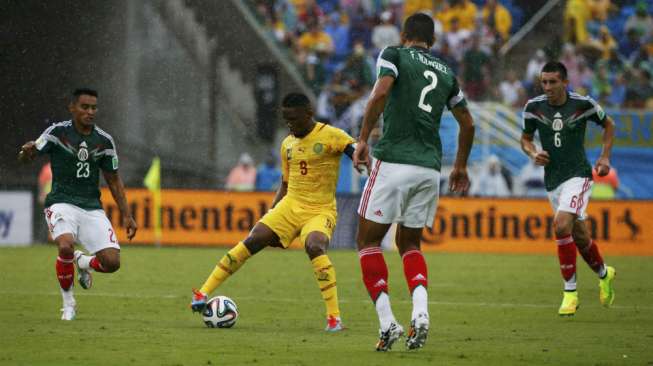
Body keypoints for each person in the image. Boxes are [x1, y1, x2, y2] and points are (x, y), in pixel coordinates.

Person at [353, 13, 475, 351]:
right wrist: (460, 167)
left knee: (367, 242)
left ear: (405, 34)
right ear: (432, 41)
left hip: (393, 159)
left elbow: (379, 94)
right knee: (410, 245)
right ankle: (420, 313)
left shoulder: (393, 54)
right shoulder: (446, 73)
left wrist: (363, 138)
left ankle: (387, 322)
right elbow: (468, 124)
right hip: (428, 168)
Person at [191, 92, 358, 332]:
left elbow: (354, 149)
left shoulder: (331, 135)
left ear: (308, 114)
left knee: (315, 246)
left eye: (294, 119)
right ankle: (202, 293)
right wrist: (272, 212)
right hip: (290, 206)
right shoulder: (287, 144)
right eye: (286, 120)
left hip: (320, 210)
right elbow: (286, 183)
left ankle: (334, 318)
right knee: (253, 239)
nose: (290, 125)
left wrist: (363, 160)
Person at [18, 88, 137, 320]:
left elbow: (114, 180)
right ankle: (68, 304)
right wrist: (26, 152)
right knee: (65, 246)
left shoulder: (104, 141)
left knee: (112, 263)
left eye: (94, 108)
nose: (90, 112)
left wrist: (127, 214)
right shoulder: (56, 132)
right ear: (72, 107)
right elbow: (29, 154)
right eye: (85, 107)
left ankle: (84, 262)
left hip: (91, 207)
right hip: (61, 202)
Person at [520, 61, 616, 316]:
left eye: (553, 82)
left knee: (561, 225)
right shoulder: (533, 108)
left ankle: (570, 293)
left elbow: (609, 125)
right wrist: (532, 153)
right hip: (553, 180)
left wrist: (605, 157)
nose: (548, 87)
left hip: (579, 175)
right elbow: (526, 138)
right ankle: (605, 274)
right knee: (580, 237)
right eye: (544, 82)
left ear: (565, 82)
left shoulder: (583, 104)